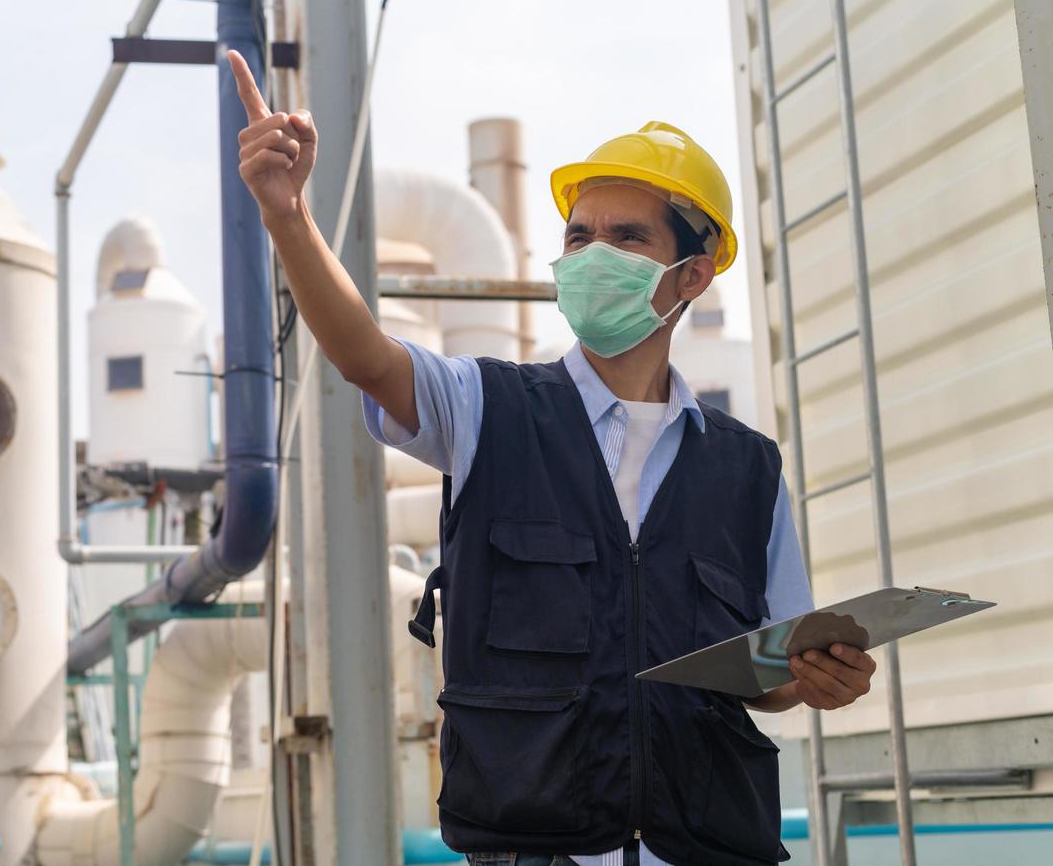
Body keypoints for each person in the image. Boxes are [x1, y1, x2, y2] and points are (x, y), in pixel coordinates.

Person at [225, 49, 877, 866]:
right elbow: (365, 356)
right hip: (534, 849)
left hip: (705, 847)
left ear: (693, 273)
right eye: (579, 234)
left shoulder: (748, 469)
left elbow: (770, 674)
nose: (590, 252)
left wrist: (816, 679)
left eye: (626, 236)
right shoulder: (485, 408)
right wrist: (287, 216)